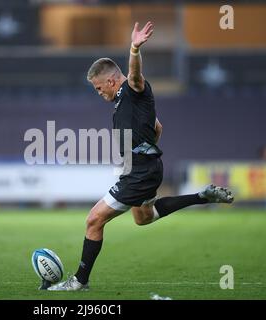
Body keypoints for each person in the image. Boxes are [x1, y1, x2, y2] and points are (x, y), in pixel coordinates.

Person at [48, 21, 234, 291]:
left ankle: (79, 281)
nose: (100, 94)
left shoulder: (132, 91)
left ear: (111, 80)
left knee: (93, 220)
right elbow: (158, 127)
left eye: (100, 89)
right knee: (143, 217)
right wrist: (142, 153)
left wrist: (134, 49)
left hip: (139, 173)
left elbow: (135, 78)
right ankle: (201, 196)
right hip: (144, 168)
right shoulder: (125, 103)